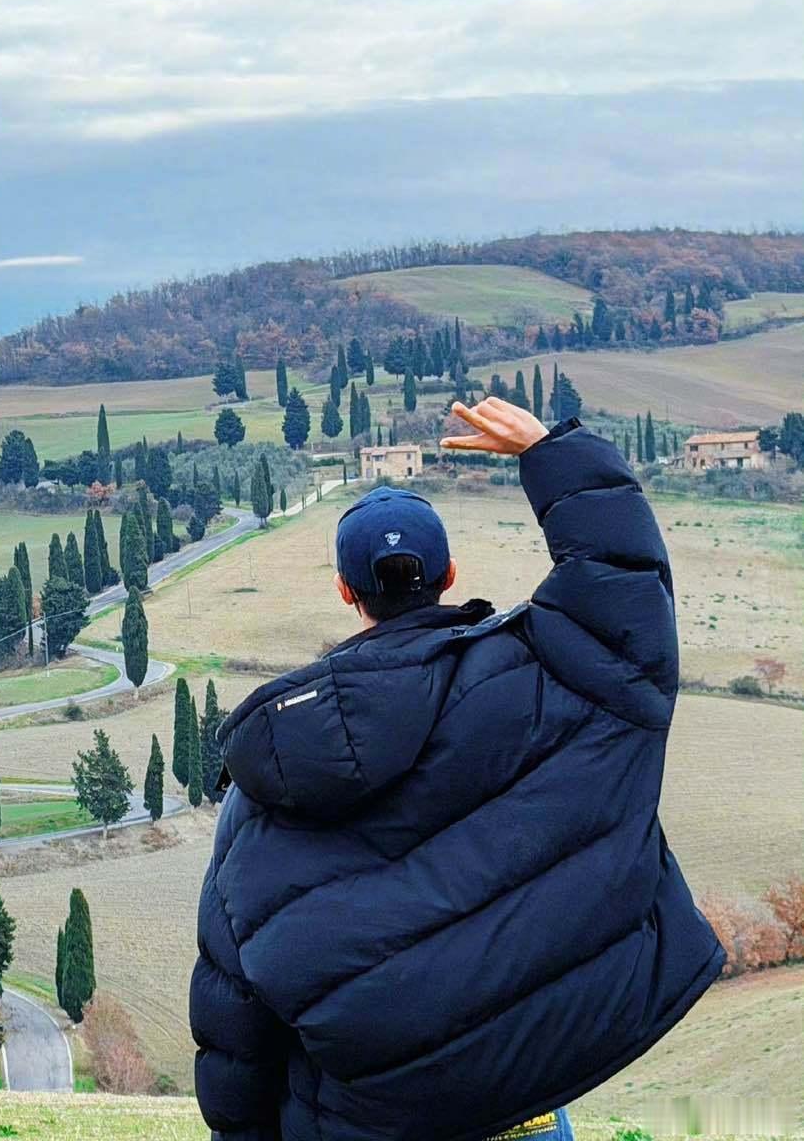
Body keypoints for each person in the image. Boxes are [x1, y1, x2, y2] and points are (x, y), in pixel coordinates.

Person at [190, 398, 724, 1141]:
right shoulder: (548, 673)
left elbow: (234, 1026)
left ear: (348, 592)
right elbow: (625, 590)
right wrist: (547, 452)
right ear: (449, 574)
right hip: (525, 1112)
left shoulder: (265, 784)